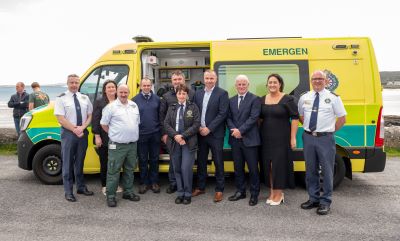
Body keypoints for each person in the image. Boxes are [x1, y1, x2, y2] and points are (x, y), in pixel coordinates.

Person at [298, 70, 346, 215]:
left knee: (327, 171)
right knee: (310, 169)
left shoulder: (333, 98)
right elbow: (301, 116)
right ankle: (313, 199)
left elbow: (342, 118)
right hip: (308, 137)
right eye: (314, 79)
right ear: (311, 81)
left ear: (325, 81)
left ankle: (325, 202)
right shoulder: (304, 97)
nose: (317, 81)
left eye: (320, 79)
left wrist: (329, 131)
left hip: (326, 138)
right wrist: (311, 130)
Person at [259, 73, 299, 206]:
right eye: (270, 82)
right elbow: (259, 119)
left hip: (281, 138)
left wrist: (292, 138)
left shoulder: (288, 99)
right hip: (265, 138)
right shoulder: (262, 99)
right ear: (267, 85)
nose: (272, 85)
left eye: (275, 82)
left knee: (278, 166)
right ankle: (272, 192)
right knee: (268, 166)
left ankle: (279, 194)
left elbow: (295, 118)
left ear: (280, 84)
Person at [54, 74, 94, 202]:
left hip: (82, 133)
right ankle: (68, 191)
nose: (74, 85)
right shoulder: (61, 98)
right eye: (72, 82)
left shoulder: (84, 98)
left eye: (76, 82)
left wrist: (82, 128)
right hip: (69, 133)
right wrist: (75, 129)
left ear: (79, 83)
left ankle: (81, 187)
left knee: (80, 161)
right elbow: (60, 118)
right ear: (67, 83)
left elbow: (90, 115)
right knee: (68, 162)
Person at [100, 84, 141, 207]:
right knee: (113, 171)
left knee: (130, 169)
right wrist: (114, 134)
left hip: (132, 145)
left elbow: (136, 123)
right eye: (121, 92)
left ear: (129, 93)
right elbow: (104, 124)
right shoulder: (110, 107)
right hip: (117, 145)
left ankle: (128, 192)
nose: (123, 94)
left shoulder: (134, 105)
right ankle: (111, 196)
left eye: (125, 92)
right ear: (117, 92)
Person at [192, 69, 229, 203]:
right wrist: (199, 128)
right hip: (200, 133)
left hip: (215, 134)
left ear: (216, 79)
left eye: (211, 78)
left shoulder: (222, 93)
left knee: (218, 161)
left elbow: (222, 114)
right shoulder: (198, 94)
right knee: (201, 161)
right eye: (207, 78)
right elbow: (194, 111)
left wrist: (209, 128)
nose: (209, 81)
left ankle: (219, 189)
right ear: (204, 79)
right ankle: (200, 187)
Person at [227, 75, 261, 206]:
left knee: (253, 168)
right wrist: (234, 130)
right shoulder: (231, 100)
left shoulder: (255, 99)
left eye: (244, 84)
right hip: (235, 140)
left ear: (248, 85)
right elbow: (228, 118)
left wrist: (240, 131)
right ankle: (240, 191)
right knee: (238, 168)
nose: (241, 86)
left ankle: (254, 194)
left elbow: (253, 118)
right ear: (236, 86)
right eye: (239, 84)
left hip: (250, 140)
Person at [159, 70, 195, 194]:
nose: (177, 81)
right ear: (171, 81)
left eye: (179, 79)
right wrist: (165, 134)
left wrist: (184, 135)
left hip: (188, 137)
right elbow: (162, 117)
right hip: (172, 136)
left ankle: (186, 187)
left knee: (184, 165)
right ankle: (174, 184)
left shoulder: (193, 94)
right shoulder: (166, 96)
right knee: (174, 163)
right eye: (175, 80)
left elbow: (195, 117)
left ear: (184, 81)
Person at [164, 84, 200, 204]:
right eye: (179, 93)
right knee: (177, 168)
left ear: (187, 94)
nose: (181, 95)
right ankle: (180, 193)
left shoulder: (193, 107)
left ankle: (188, 193)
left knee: (186, 168)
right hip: (175, 142)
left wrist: (183, 136)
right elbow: (166, 124)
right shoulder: (172, 107)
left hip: (188, 142)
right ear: (177, 94)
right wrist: (176, 136)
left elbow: (196, 124)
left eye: (183, 93)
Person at [133, 77, 161, 194]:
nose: (146, 87)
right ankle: (144, 183)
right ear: (140, 86)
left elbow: (161, 116)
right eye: (144, 85)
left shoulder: (157, 99)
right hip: (141, 134)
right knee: (143, 160)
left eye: (148, 85)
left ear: (151, 86)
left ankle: (154, 182)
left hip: (155, 134)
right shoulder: (134, 100)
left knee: (155, 159)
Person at [91, 79, 120, 195]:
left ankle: (115, 184)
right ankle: (104, 185)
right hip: (103, 137)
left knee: (116, 163)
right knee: (105, 162)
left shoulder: (120, 101)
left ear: (116, 88)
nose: (111, 89)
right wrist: (97, 136)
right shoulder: (99, 102)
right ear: (105, 90)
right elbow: (96, 120)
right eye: (109, 87)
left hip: (117, 137)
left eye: (113, 87)